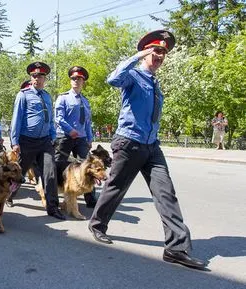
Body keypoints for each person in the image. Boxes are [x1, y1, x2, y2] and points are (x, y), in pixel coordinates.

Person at [88, 30, 206, 270]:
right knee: (115, 188)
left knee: (166, 194)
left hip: (152, 146)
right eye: (156, 50)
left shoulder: (154, 81)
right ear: (145, 52)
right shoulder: (132, 74)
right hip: (129, 142)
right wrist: (137, 55)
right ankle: (97, 225)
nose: (160, 55)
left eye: (163, 52)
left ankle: (176, 248)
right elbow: (112, 79)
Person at [7, 61, 65, 220]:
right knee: (18, 172)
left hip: (45, 141)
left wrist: (53, 136)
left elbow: (50, 119)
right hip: (26, 141)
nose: (37, 79)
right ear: (31, 78)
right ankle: (9, 195)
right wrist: (14, 141)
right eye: (34, 76)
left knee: (50, 173)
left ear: (45, 78)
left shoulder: (47, 96)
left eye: (40, 76)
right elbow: (16, 119)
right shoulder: (23, 95)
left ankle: (53, 207)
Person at [54, 66, 97, 208]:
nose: (76, 81)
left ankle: (90, 199)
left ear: (83, 81)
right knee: (58, 167)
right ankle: (54, 198)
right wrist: (70, 130)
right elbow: (58, 118)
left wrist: (89, 138)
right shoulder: (63, 98)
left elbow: (88, 122)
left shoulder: (85, 101)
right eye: (73, 78)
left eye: (79, 79)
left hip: (82, 139)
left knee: (88, 166)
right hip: (65, 137)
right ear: (70, 80)